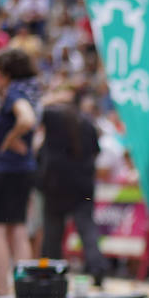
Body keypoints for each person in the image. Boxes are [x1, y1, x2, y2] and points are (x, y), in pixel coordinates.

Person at [36, 87, 108, 284]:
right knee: (87, 229)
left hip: (55, 185)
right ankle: (97, 267)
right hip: (82, 186)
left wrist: (52, 95)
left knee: (52, 233)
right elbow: (95, 151)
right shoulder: (86, 122)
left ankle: (50, 272)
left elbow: (35, 108)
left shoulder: (52, 116)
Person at [0, 47, 39, 297]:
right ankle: (23, 287)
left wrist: (8, 139)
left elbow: (25, 120)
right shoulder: (32, 90)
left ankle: (2, 288)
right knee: (17, 228)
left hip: (8, 170)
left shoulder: (15, 93)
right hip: (24, 168)